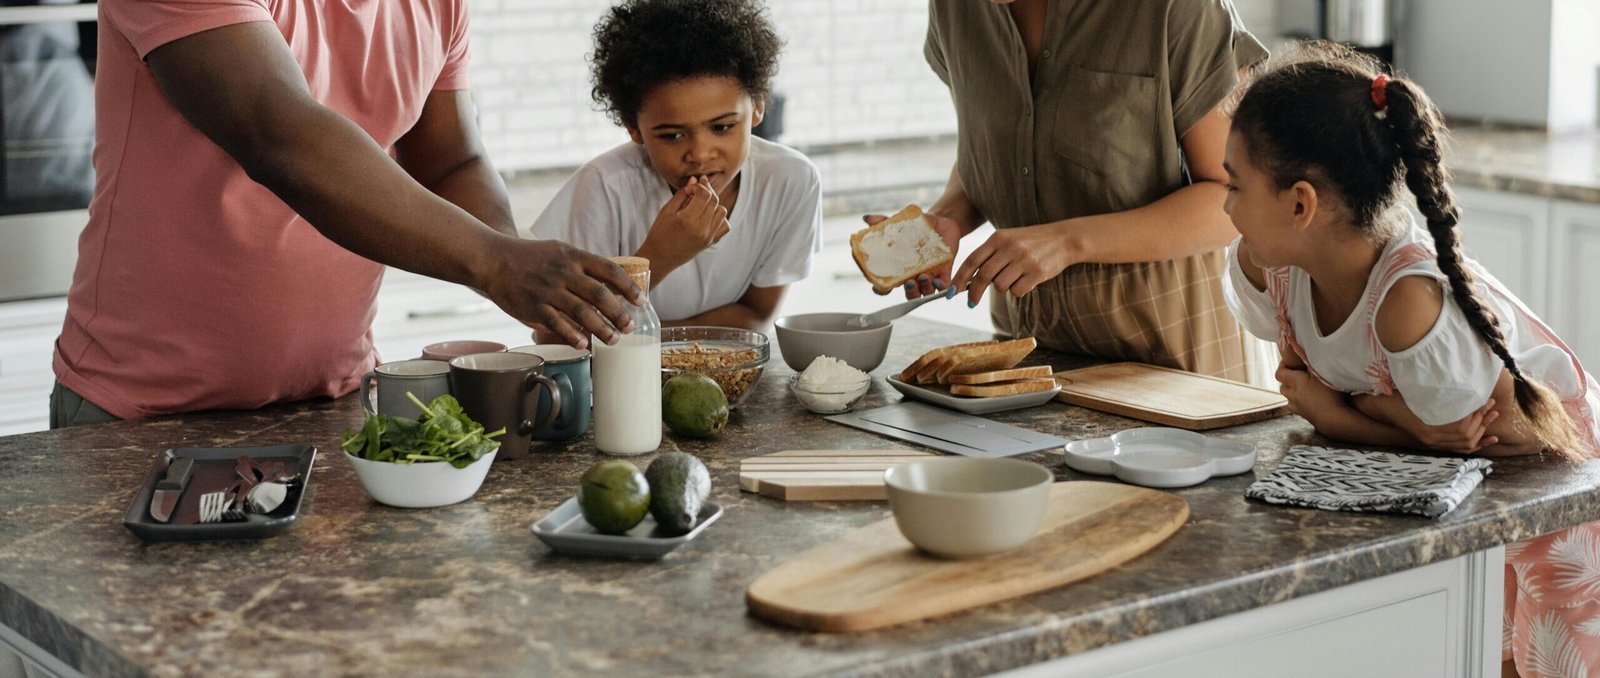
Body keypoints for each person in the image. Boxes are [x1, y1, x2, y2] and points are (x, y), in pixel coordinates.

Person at [49, 0, 643, 428]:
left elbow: (453, 160)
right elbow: (275, 132)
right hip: (140, 413)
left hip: (330, 400)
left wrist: (524, 273)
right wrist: (496, 263)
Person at [1220, 44, 1600, 676]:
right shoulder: (1273, 266)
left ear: (1300, 205)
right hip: (1462, 492)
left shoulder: (1407, 302)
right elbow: (1432, 434)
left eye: (1235, 184)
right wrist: (1399, 419)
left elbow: (1487, 439)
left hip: (1552, 488)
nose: (1225, 204)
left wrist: (1347, 418)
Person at [884, 0, 1268, 381]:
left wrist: (1068, 241)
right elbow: (1001, 147)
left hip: (1176, 357)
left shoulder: (1178, 8)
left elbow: (1235, 198)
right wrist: (950, 216)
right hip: (1030, 358)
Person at [527, 0, 821, 330]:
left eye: (721, 127)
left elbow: (755, 315)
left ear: (757, 107)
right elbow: (554, 335)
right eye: (672, 135)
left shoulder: (790, 180)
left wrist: (651, 339)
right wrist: (659, 255)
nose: (699, 153)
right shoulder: (604, 188)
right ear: (633, 127)